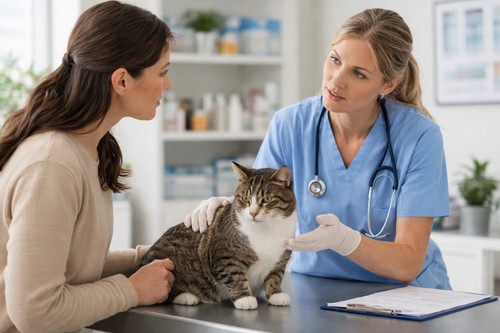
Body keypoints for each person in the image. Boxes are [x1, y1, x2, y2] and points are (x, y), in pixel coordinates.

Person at [185, 8, 451, 290]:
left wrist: (345, 240)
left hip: (405, 298)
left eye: (358, 74)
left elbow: (407, 263)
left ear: (388, 84)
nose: (336, 80)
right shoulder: (290, 125)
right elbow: (261, 209)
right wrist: (227, 212)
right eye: (335, 60)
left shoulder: (419, 136)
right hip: (313, 290)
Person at [0, 2, 176, 332]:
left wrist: (148, 257)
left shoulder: (89, 151)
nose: (167, 85)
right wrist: (133, 290)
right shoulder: (52, 165)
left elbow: (68, 265)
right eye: (163, 72)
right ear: (122, 80)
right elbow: (35, 312)